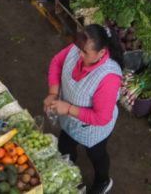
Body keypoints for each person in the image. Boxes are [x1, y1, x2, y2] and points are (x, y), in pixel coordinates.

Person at [44, 24, 122, 194]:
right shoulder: (78, 48)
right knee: (65, 147)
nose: (79, 54)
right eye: (79, 48)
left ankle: (103, 181)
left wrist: (69, 108)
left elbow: (101, 118)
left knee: (96, 154)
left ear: (101, 53)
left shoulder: (108, 78)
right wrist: (53, 93)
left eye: (85, 52)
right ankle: (68, 175)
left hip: (93, 129)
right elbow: (57, 62)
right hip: (69, 119)